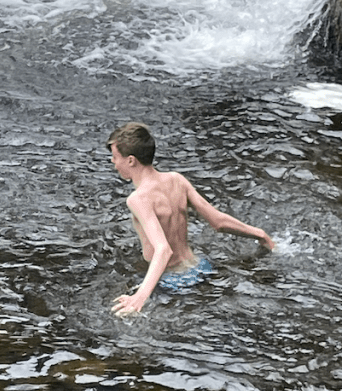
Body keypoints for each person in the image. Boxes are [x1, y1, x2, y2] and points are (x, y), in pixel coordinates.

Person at [106, 122, 274, 316]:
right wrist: (260, 234)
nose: (112, 161)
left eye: (115, 156)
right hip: (201, 268)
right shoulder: (177, 179)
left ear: (131, 161)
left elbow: (163, 250)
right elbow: (218, 222)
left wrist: (139, 297)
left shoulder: (138, 199)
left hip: (172, 282)